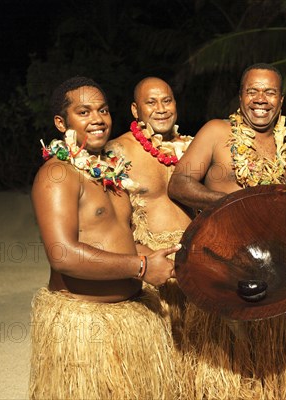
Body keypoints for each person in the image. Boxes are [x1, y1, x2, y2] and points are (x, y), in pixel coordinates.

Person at [28, 76, 181, 399]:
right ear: (61, 122)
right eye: (84, 112)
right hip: (86, 330)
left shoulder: (110, 174)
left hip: (132, 319)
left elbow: (118, 240)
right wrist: (140, 267)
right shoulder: (58, 175)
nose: (97, 119)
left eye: (103, 110)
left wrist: (158, 257)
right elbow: (62, 254)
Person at [168, 63, 286, 398]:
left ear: (280, 101)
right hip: (217, 261)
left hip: (268, 271)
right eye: (252, 90)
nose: (260, 98)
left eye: (269, 92)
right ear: (240, 96)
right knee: (223, 365)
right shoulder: (216, 132)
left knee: (268, 365)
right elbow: (179, 184)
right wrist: (233, 202)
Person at [105, 76, 193, 398]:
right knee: (156, 376)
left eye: (167, 100)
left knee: (196, 367)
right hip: (150, 273)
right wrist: (142, 260)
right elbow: (111, 222)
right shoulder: (117, 151)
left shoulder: (192, 147)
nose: (161, 109)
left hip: (193, 268)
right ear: (135, 109)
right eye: (151, 102)